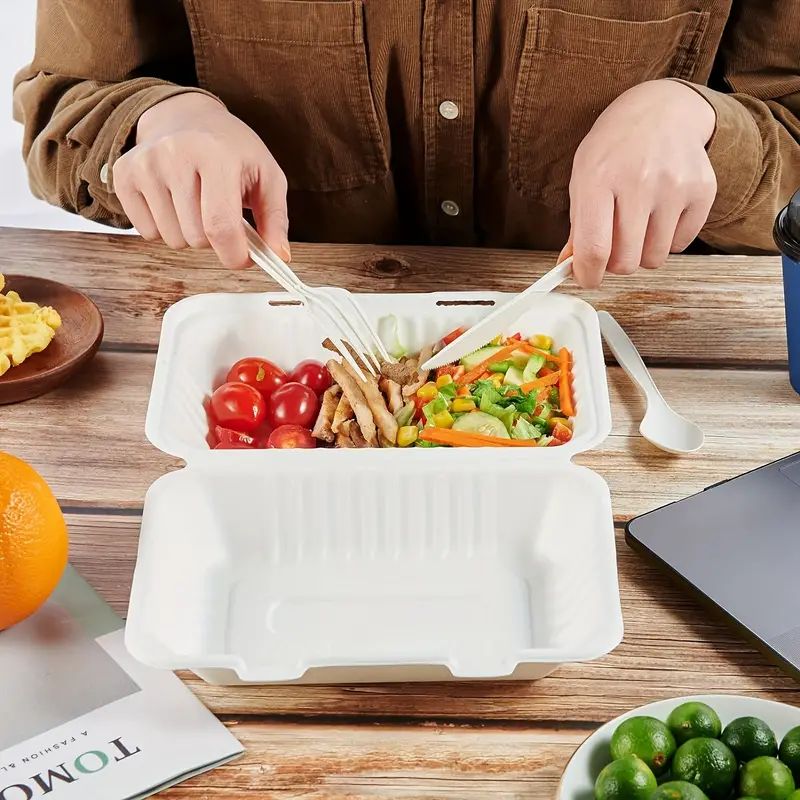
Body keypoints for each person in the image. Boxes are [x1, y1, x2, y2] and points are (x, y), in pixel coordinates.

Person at [13, 1, 800, 288]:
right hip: (257, 358)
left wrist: (694, 117)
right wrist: (164, 120)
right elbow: (64, 107)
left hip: (637, 359)